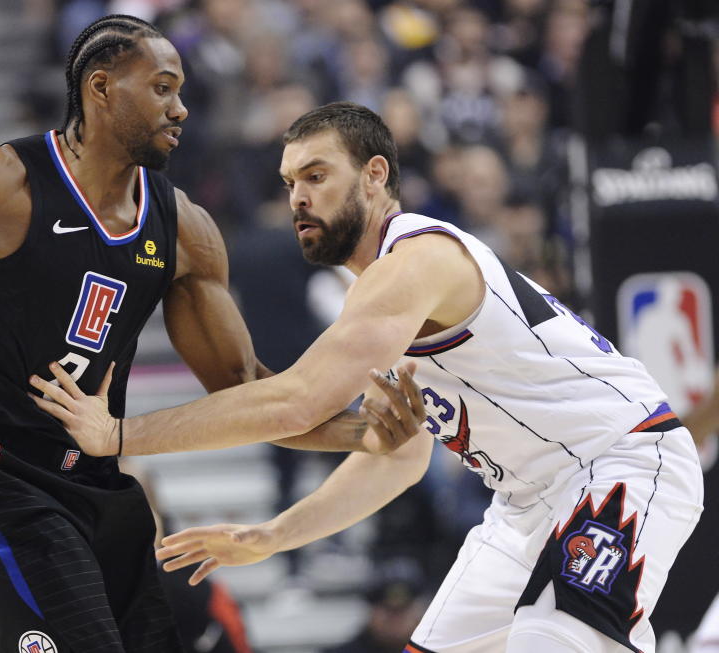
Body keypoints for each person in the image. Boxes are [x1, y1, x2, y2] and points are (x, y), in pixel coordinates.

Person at [0, 17, 423, 653]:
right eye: (163, 87)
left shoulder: (184, 230)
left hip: (96, 482)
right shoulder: (0, 183)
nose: (182, 109)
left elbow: (245, 390)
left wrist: (358, 429)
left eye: (181, 91)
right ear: (102, 88)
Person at [45, 102, 704, 653]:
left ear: (374, 175)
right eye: (288, 182)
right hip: (527, 500)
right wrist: (272, 535)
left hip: (619, 457)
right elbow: (397, 456)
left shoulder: (415, 263)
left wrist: (119, 432)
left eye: (316, 174)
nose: (299, 196)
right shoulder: (374, 303)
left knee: (554, 642)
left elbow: (296, 402)